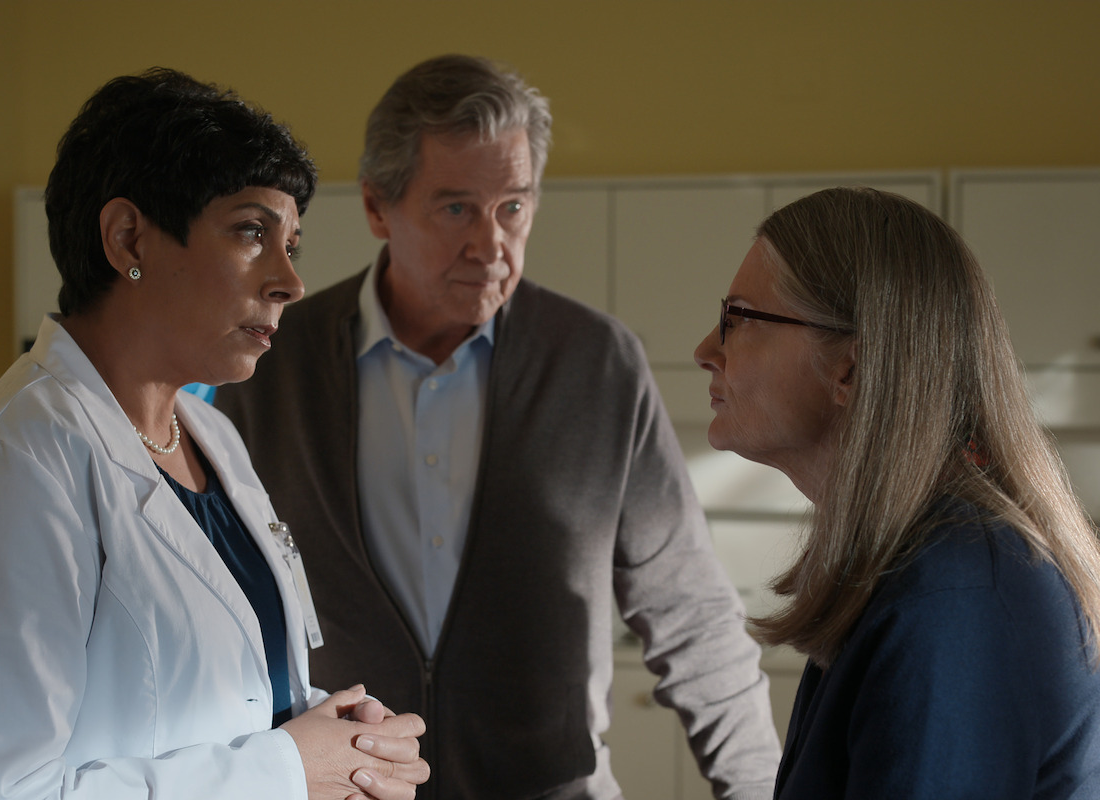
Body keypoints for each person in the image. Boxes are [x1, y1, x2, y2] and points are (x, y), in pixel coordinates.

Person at [215, 54, 781, 799]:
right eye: (456, 209)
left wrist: (762, 790)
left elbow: (691, 612)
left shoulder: (596, 363)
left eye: (513, 207)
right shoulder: (274, 365)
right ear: (379, 207)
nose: (491, 245)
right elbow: (220, 609)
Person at [0, 68, 429, 800]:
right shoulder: (13, 460)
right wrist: (287, 770)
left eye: (292, 245)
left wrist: (342, 740)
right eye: (252, 232)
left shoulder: (211, 434)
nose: (289, 282)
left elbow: (215, 700)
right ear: (127, 238)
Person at [692, 186, 1100, 798]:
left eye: (739, 319)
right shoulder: (913, 561)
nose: (705, 351)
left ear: (850, 370)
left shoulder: (960, 592)